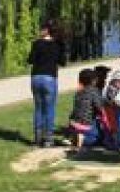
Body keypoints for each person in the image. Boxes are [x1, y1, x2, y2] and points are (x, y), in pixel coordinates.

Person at [27, 20, 66, 148]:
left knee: (38, 108)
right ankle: (48, 139)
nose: (40, 30)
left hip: (36, 78)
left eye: (41, 28)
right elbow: (62, 62)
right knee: (49, 109)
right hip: (50, 78)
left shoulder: (36, 43)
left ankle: (37, 139)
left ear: (46, 30)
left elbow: (30, 60)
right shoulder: (58, 44)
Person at [68, 68, 105, 148]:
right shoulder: (94, 91)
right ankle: (83, 139)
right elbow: (100, 108)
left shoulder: (78, 92)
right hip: (86, 124)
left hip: (74, 123)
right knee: (99, 137)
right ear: (93, 81)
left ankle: (76, 136)